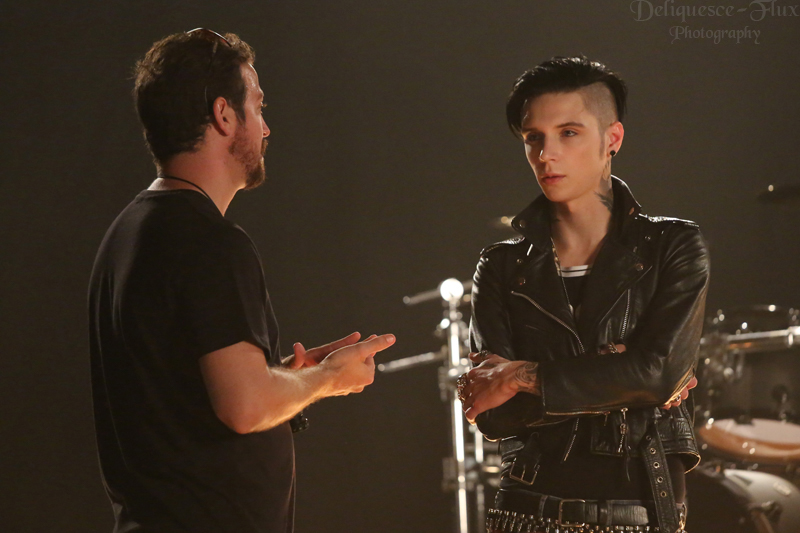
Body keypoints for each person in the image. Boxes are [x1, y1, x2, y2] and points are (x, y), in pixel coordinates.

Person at [88, 29, 395, 533]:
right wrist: (327, 380)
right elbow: (246, 406)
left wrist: (284, 378)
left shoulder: (127, 233)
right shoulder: (211, 241)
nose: (267, 127)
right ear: (224, 115)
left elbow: (190, 397)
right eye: (258, 105)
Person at [458, 56, 709, 533]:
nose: (546, 154)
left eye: (568, 133)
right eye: (534, 138)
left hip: (640, 509)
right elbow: (494, 413)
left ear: (612, 138)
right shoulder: (501, 265)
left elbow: (657, 373)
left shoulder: (671, 246)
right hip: (526, 510)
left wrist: (524, 374)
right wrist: (619, 368)